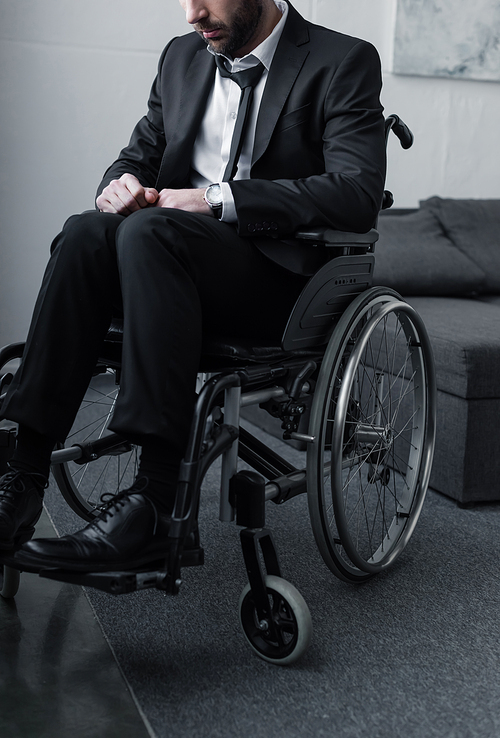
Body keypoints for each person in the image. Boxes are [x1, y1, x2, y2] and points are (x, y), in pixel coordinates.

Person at [0, 0, 386, 572]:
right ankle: (21, 481)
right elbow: (139, 155)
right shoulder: (183, 57)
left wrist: (216, 199)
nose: (191, 13)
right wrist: (118, 186)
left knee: (153, 232)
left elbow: (356, 191)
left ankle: (155, 507)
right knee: (86, 231)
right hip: (169, 263)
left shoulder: (341, 59)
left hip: (276, 282)